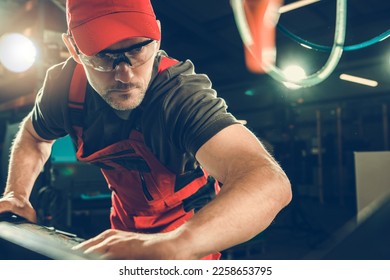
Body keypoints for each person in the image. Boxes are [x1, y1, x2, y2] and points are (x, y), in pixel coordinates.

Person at [0, 0, 291, 260]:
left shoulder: (178, 96)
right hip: (122, 234)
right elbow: (34, 137)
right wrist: (17, 195)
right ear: (74, 48)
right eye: (103, 56)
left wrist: (179, 244)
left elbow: (268, 182)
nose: (124, 74)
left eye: (137, 49)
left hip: (188, 243)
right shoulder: (64, 89)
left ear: (158, 35)